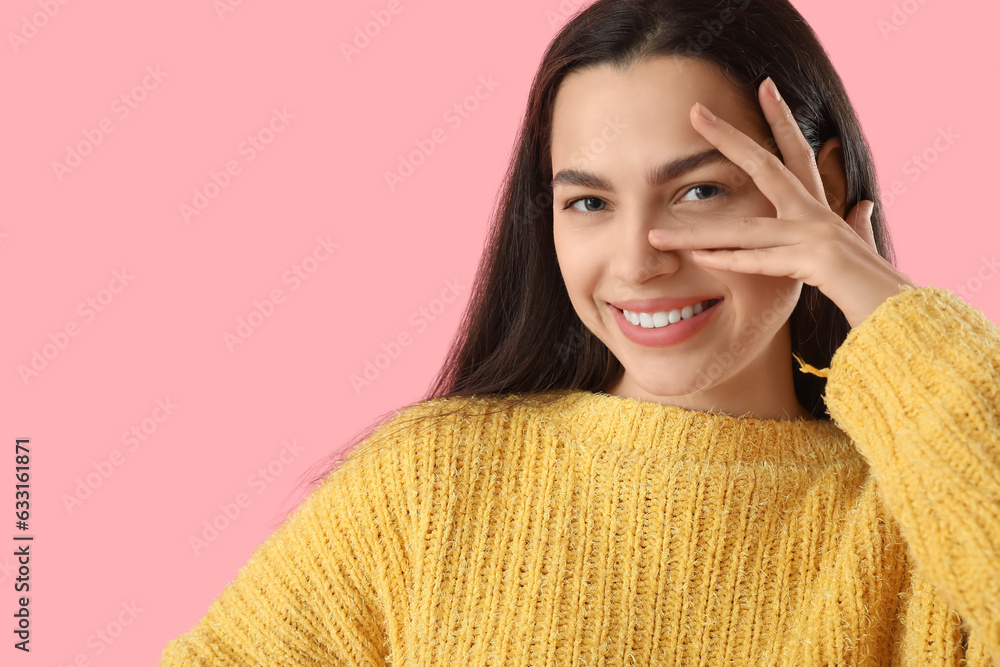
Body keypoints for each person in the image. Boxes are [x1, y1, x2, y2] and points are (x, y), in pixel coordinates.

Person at [160, 0, 1000, 664]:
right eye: (589, 203)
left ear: (819, 183)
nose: (636, 263)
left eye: (699, 191)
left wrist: (879, 298)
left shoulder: (915, 512)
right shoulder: (430, 483)